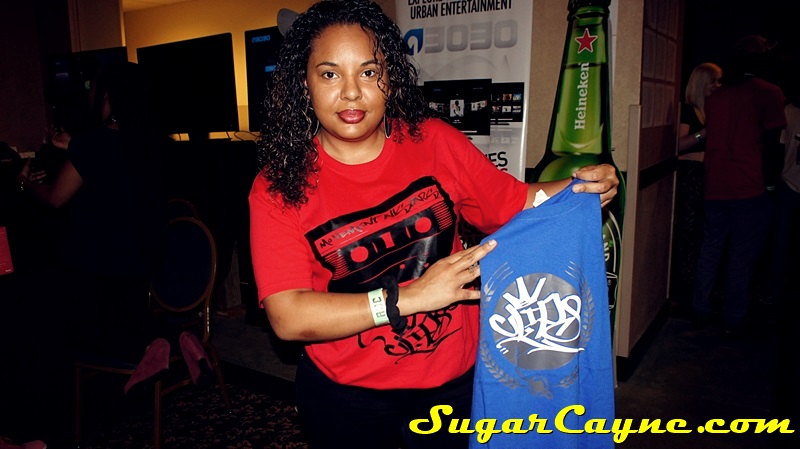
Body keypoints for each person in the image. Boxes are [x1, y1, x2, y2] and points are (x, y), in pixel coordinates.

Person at [248, 1, 619, 448]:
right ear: (303, 83)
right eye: (329, 74)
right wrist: (410, 298)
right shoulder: (278, 186)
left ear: (390, 78)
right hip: (347, 397)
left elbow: (514, 202)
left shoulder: (435, 141)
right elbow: (288, 316)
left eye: (368, 72)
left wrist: (580, 188)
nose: (351, 93)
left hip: (453, 386)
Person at [691, 35, 786, 334]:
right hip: (749, 183)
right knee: (742, 255)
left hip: (716, 183)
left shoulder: (717, 97)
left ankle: (701, 308)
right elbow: (772, 145)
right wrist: (771, 186)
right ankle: (734, 315)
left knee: (711, 248)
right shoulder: (769, 93)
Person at [671, 62, 722, 314]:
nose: (718, 86)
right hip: (689, 175)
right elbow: (678, 145)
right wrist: (705, 133)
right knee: (687, 232)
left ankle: (694, 290)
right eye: (714, 81)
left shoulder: (709, 109)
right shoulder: (688, 110)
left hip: (705, 175)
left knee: (700, 233)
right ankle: (682, 291)